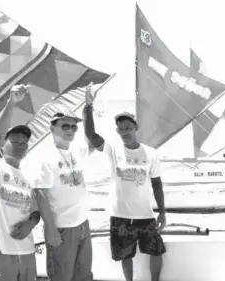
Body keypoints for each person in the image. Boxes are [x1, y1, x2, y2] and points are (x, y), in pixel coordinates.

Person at [83, 84, 166, 281]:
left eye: (128, 127)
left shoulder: (151, 153)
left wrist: (162, 211)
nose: (125, 131)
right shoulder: (113, 150)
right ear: (117, 131)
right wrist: (88, 107)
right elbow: (91, 135)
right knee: (125, 255)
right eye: (121, 129)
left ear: (136, 128)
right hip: (120, 216)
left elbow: (157, 184)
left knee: (157, 251)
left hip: (145, 215)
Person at [0, 85, 61, 281]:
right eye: (15, 141)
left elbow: (35, 211)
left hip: (27, 251)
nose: (22, 144)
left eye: (25, 142)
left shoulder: (28, 177)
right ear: (3, 145)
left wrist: (30, 223)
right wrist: (11, 103)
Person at [33, 109, 94, 281]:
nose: (70, 130)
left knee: (83, 275)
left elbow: (92, 140)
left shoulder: (76, 151)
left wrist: (88, 107)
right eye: (65, 125)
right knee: (62, 276)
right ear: (52, 129)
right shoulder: (45, 157)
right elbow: (40, 193)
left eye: (74, 127)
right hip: (62, 227)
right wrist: (51, 229)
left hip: (82, 223)